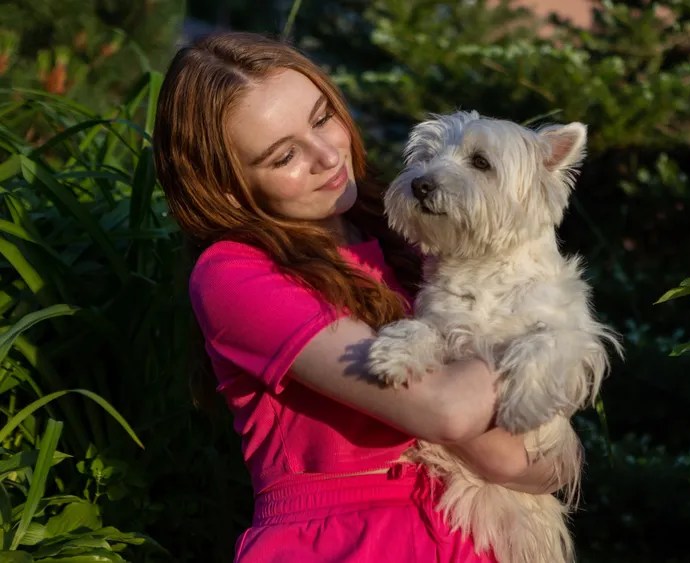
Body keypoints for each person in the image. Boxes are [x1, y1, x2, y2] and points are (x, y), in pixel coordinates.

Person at [153, 31, 563, 563]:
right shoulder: (234, 276)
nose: (327, 155)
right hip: (347, 545)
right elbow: (448, 412)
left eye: (323, 117)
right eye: (285, 156)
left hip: (475, 539)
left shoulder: (412, 240)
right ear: (227, 188)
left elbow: (543, 466)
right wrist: (549, 338)